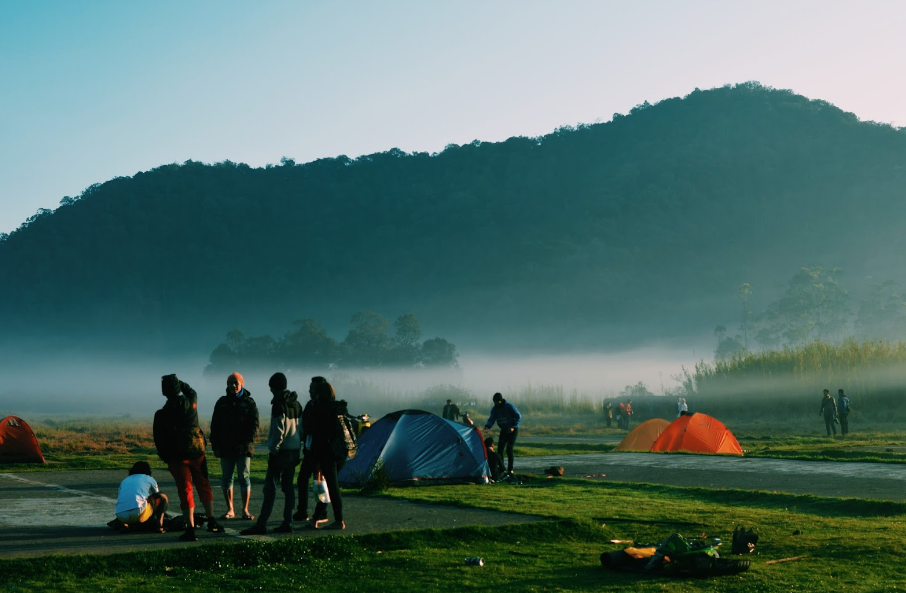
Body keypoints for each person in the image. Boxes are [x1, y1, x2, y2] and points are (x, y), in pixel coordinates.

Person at [153, 374, 225, 541]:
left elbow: (159, 440)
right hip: (197, 453)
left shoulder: (162, 414)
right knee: (204, 485)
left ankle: (190, 528)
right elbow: (191, 390)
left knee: (185, 490)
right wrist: (180, 383)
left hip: (177, 458)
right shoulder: (191, 402)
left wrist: (167, 458)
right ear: (178, 388)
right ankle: (212, 521)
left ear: (164, 392)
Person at [241, 372, 302, 535]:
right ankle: (287, 522)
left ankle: (262, 523)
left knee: (270, 489)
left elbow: (278, 430)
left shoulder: (278, 404)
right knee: (288, 488)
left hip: (280, 452)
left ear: (274, 387)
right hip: (294, 450)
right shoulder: (296, 404)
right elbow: (300, 428)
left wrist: (273, 449)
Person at [210, 371, 259, 521]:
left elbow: (254, 426)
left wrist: (247, 443)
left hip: (243, 448)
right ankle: (230, 509)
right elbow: (215, 426)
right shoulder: (221, 402)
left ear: (242, 384)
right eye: (230, 383)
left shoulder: (249, 403)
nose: (233, 385)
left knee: (244, 477)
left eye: (236, 382)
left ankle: (245, 509)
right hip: (225, 447)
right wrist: (215, 445)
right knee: (226, 478)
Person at [301, 376, 346, 530]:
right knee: (328, 487)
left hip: (325, 454)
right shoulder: (338, 408)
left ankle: (338, 520)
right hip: (339, 453)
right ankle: (316, 517)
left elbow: (315, 432)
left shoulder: (321, 410)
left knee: (330, 488)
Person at [293, 376, 329, 525]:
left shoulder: (324, 407)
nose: (309, 391)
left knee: (319, 481)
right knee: (304, 479)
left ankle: (321, 512)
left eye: (312, 389)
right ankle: (303, 510)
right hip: (310, 449)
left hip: (320, 450)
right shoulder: (310, 405)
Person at [113, 461, 168, 533]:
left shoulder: (125, 480)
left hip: (121, 515)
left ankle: (124, 523)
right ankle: (159, 525)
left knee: (127, 499)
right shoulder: (149, 478)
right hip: (139, 514)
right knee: (163, 496)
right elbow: (157, 495)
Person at [483, 392, 521, 476]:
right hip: (504, 430)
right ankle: (502, 469)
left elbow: (518, 416)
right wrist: (487, 426)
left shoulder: (509, 406)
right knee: (500, 449)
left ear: (501, 400)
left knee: (509, 449)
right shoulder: (495, 409)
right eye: (494, 402)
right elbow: (492, 418)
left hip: (512, 430)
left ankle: (510, 469)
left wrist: (513, 426)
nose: (496, 403)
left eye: (497, 401)